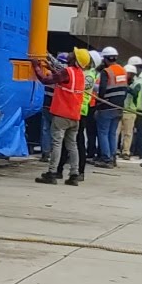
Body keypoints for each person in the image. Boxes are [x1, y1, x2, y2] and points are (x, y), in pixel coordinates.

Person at [33, 53, 86, 185]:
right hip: (74, 116)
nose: (69, 55)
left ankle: (51, 173)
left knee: (57, 143)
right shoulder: (79, 74)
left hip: (62, 114)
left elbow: (46, 80)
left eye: (72, 55)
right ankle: (74, 174)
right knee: (72, 146)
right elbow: (63, 79)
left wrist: (36, 67)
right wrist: (51, 68)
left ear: (74, 60)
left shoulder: (67, 72)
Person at [94, 47, 127, 169]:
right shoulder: (122, 71)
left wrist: (99, 104)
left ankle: (106, 159)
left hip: (106, 106)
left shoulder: (106, 71)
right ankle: (112, 158)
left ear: (105, 59)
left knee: (103, 133)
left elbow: (102, 89)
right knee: (112, 134)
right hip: (119, 107)